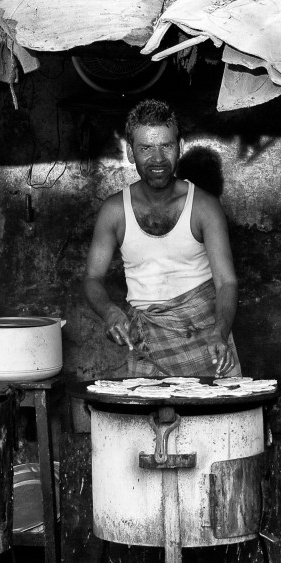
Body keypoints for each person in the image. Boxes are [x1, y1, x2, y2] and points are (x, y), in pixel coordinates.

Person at [83, 99, 240, 377]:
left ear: (179, 147)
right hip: (147, 348)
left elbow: (226, 281)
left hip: (208, 343)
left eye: (165, 146)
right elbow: (93, 278)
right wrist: (109, 312)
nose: (157, 159)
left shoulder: (204, 207)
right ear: (131, 153)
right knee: (143, 418)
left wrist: (220, 331)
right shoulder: (114, 211)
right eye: (146, 148)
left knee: (219, 418)